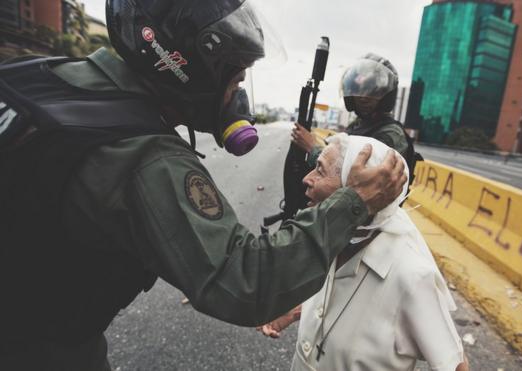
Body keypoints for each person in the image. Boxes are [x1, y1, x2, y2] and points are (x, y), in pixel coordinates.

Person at [0, 1, 406, 369]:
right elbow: (247, 281)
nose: (237, 92)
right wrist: (353, 201)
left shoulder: (39, 76)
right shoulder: (146, 156)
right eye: (233, 79)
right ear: (189, 67)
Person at [258, 134, 468, 371]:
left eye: (320, 170)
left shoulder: (411, 275)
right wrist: (297, 310)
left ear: (359, 189)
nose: (307, 179)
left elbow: (455, 365)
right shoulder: (335, 238)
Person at [291, 53, 418, 174]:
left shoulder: (390, 134)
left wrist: (313, 148)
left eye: (372, 90)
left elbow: (357, 179)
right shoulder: (358, 125)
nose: (363, 96)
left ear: (386, 95)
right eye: (358, 89)